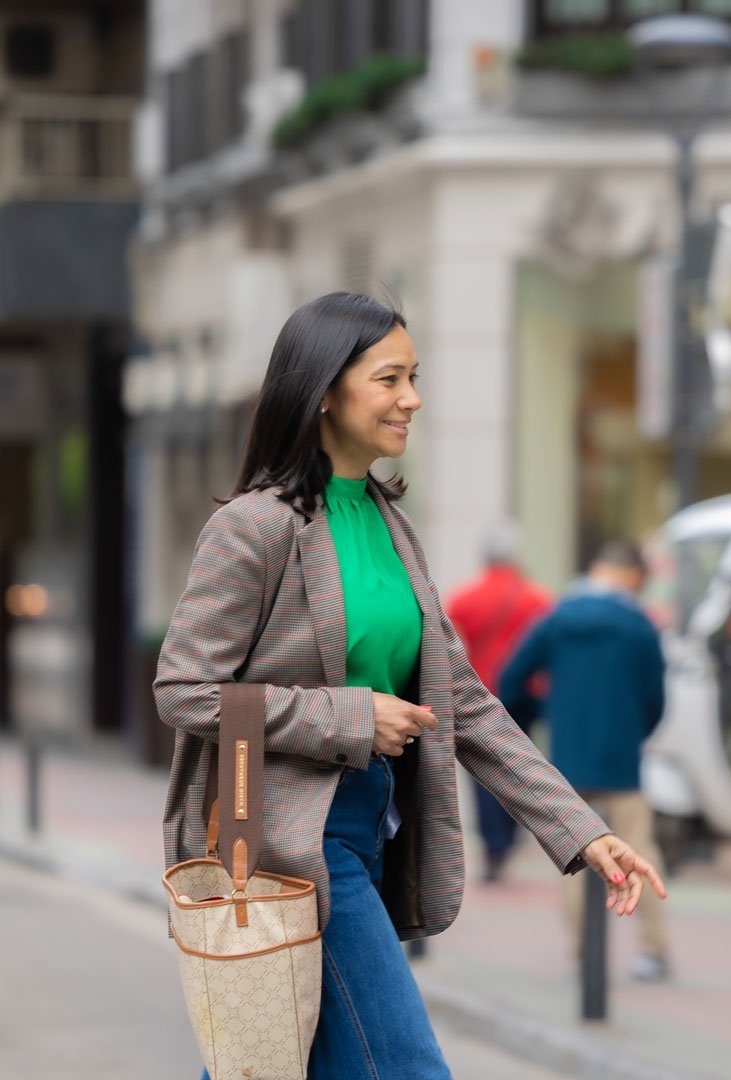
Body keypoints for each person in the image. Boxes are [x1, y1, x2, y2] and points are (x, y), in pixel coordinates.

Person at [154, 293, 666, 1080]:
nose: (412, 399)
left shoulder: (392, 526)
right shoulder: (257, 527)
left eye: (414, 377)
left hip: (370, 828)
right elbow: (183, 689)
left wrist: (581, 832)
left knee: (278, 1066)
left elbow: (461, 700)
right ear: (326, 388)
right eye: (390, 378)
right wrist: (351, 717)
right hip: (293, 844)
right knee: (403, 1066)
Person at [499, 540, 671, 982]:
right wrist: (636, 732)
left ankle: (583, 954)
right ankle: (653, 950)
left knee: (574, 854)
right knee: (639, 850)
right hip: (622, 761)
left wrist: (540, 719)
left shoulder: (556, 618)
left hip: (568, 762)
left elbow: (511, 679)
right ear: (632, 575)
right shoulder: (639, 626)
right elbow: (656, 698)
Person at [446, 523, 552, 881]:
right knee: (520, 762)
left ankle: (493, 846)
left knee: (483, 771)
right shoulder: (537, 598)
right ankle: (511, 835)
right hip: (524, 694)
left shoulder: (465, 597)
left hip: (481, 691)